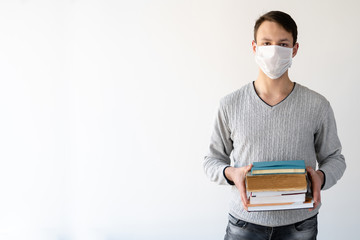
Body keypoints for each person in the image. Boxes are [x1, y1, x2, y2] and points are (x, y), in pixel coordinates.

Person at [203, 10, 346, 240]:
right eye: (266, 43)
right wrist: (232, 174)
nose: (273, 51)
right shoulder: (230, 104)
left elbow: (335, 158)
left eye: (282, 44)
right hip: (244, 224)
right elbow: (211, 161)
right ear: (254, 47)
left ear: (294, 49)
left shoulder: (317, 105)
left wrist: (320, 177)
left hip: (300, 225)